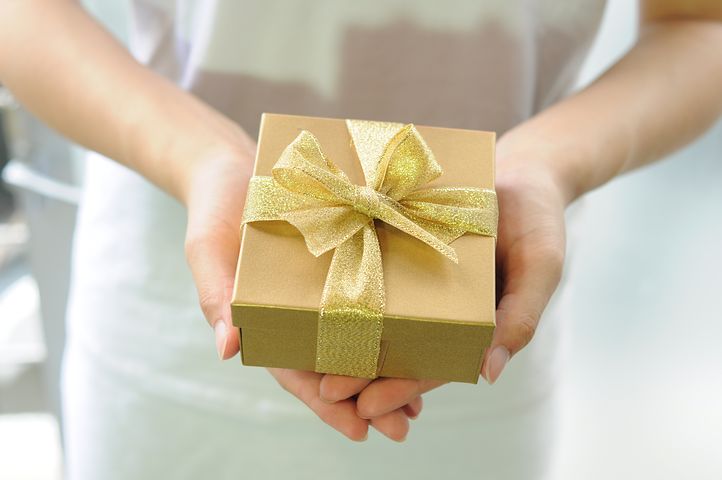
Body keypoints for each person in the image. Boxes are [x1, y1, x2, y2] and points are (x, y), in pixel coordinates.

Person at [1, 0, 721, 478]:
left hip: (478, 311)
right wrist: (200, 158)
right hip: (173, 316)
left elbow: (699, 22)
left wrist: (547, 165)